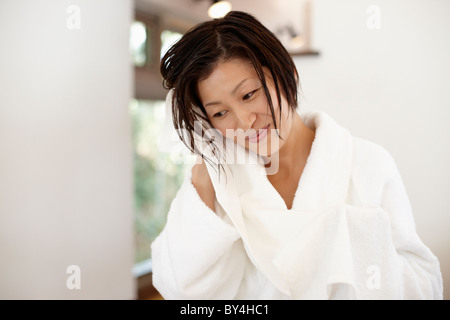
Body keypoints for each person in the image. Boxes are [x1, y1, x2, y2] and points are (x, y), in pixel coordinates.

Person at [151, 11, 443, 299]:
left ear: (286, 72)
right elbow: (182, 290)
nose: (244, 120)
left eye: (249, 94)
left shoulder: (368, 163)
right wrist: (202, 175)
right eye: (220, 112)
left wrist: (346, 234)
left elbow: (424, 287)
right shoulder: (221, 185)